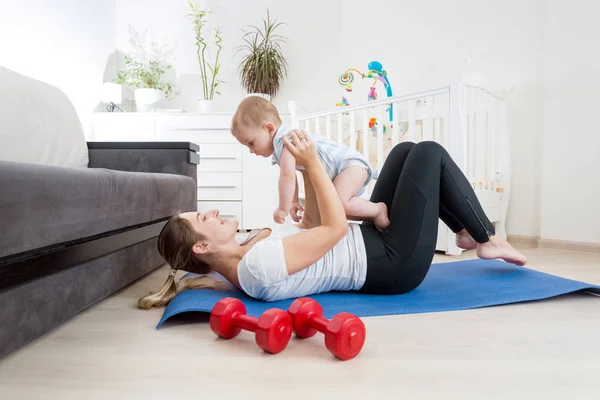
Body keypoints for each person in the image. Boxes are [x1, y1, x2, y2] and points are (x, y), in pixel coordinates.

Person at [138, 131, 528, 308]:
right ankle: (485, 236)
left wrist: (309, 173)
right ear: (202, 245)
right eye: (203, 216)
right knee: (428, 151)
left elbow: (315, 228)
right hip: (394, 263)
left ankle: (462, 232)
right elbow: (336, 227)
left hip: (374, 245)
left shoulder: (247, 256)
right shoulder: (256, 267)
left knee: (405, 150)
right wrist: (311, 165)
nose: (214, 211)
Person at [230, 95, 390, 231]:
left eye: (251, 143)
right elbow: (290, 177)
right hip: (343, 170)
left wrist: (283, 208)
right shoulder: (280, 149)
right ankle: (370, 217)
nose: (251, 150)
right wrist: (293, 201)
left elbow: (287, 177)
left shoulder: (285, 140)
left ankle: (377, 209)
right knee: (334, 209)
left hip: (348, 165)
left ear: (269, 129)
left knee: (339, 203)